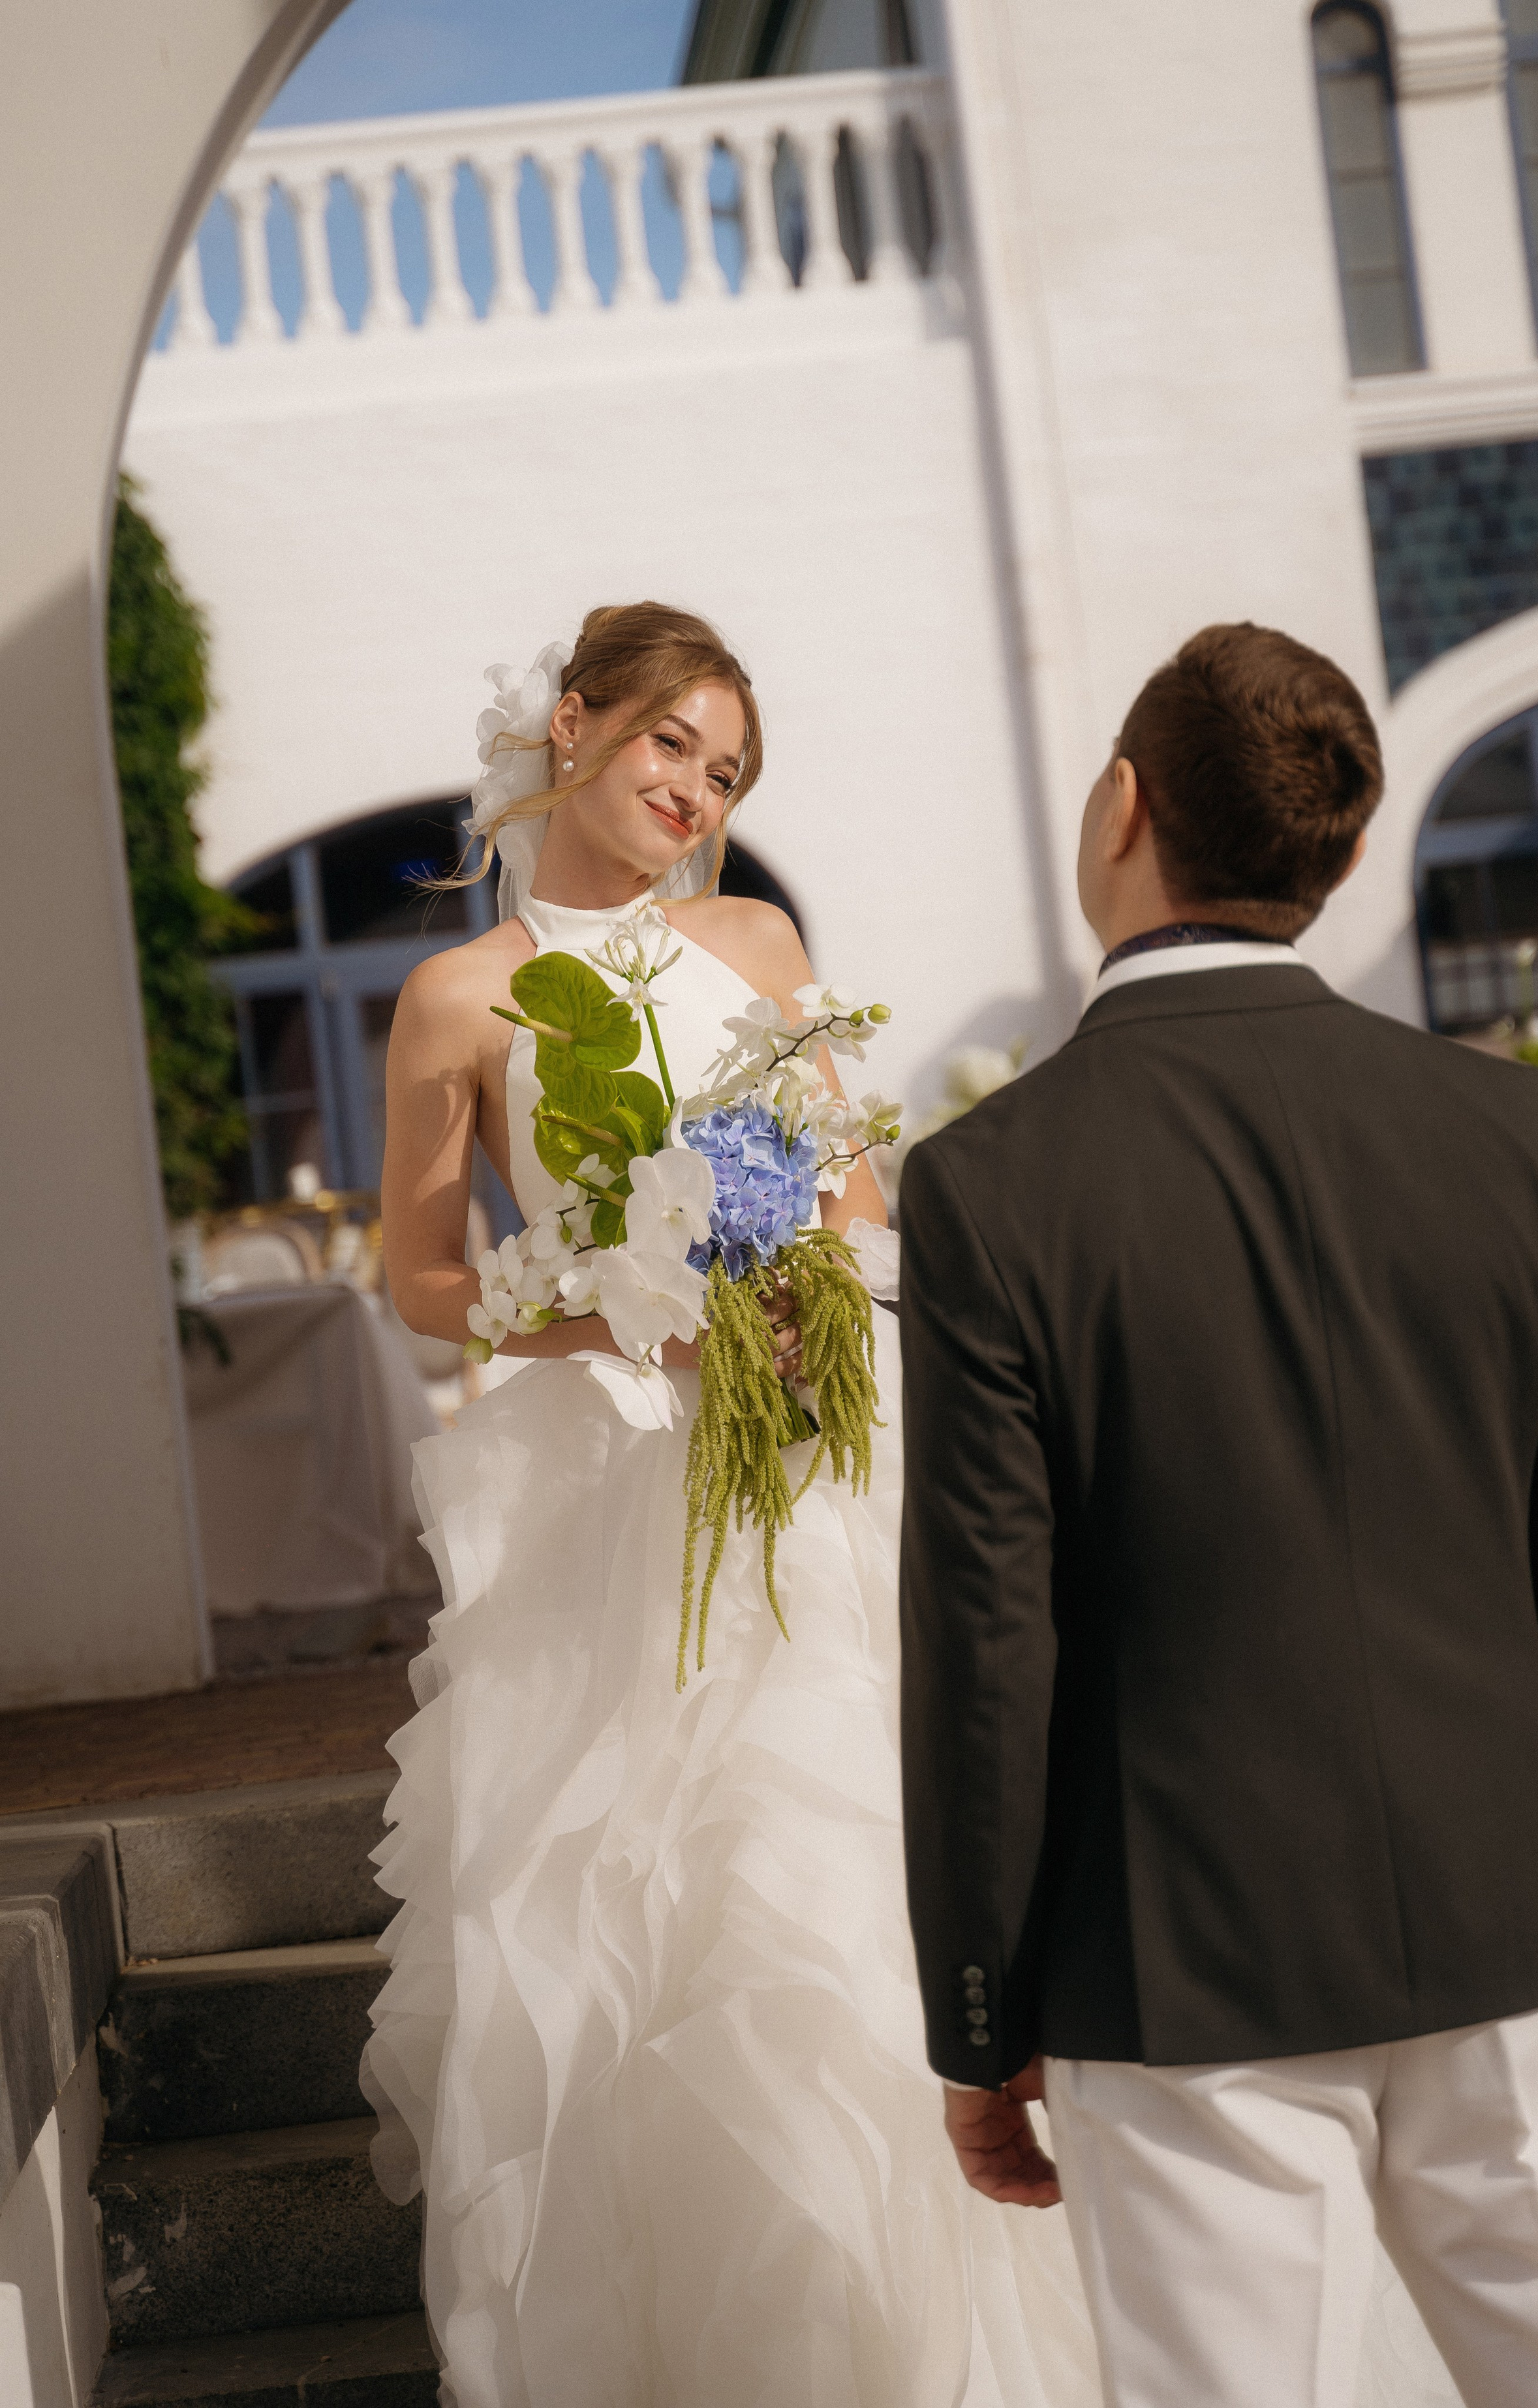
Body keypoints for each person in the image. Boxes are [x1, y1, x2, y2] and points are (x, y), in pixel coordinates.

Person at [898, 621, 1538, 2408]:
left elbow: (989, 1641)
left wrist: (978, 2009)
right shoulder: (1515, 1129)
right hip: (1523, 1910)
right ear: (1339, 851)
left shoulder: (991, 1187)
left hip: (1180, 1960)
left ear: (1122, 805)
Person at [362, 602, 1101, 2407]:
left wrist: (802, 1289)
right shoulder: (459, 997)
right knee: (671, 1908)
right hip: (620, 1480)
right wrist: (611, 1296)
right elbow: (423, 1277)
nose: (697, 791)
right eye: (672, 743)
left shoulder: (758, 941)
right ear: (575, 724)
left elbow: (854, 1193)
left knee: (850, 1859)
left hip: (823, 1452)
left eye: (730, 771)